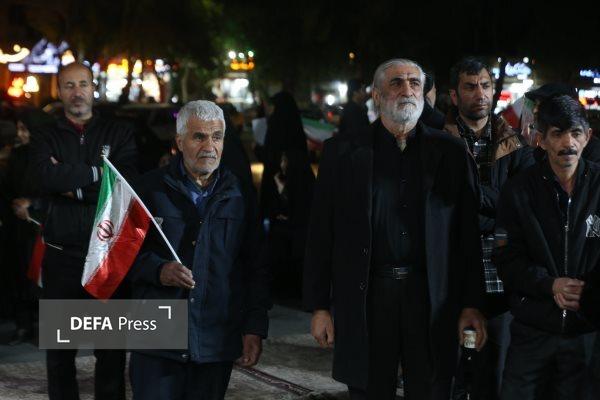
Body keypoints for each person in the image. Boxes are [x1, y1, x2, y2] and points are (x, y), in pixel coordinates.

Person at [303, 58, 487, 400]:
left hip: (430, 299)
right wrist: (319, 307)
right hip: (367, 299)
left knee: (432, 389)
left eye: (414, 83)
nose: (407, 90)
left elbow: (466, 238)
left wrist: (471, 304)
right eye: (397, 83)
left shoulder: (450, 153)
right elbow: (320, 234)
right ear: (376, 95)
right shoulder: (342, 153)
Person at [127, 100, 269, 400]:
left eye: (216, 137)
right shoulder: (147, 189)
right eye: (199, 137)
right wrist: (157, 270)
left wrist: (254, 327)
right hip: (157, 340)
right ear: (179, 142)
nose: (209, 146)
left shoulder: (240, 194)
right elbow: (119, 255)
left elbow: (256, 265)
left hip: (216, 340)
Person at [28, 62, 137, 400]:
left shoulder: (119, 133)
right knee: (60, 355)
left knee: (111, 351)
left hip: (107, 257)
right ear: (58, 91)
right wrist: (97, 173)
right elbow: (44, 178)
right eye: (69, 85)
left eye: (83, 84)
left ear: (94, 88)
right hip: (61, 258)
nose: (77, 92)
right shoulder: (44, 134)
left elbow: (123, 184)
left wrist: (69, 183)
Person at [493, 95, 599, 400]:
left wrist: (587, 292)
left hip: (587, 333)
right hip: (532, 331)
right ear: (541, 140)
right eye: (558, 133)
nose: (568, 143)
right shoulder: (518, 190)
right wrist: (549, 284)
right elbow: (507, 258)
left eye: (576, 133)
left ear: (587, 136)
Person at [445, 57, 534, 399]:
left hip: (501, 282)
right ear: (455, 95)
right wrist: (495, 207)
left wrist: (472, 202)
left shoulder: (515, 144)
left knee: (494, 378)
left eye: (484, 86)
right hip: (451, 278)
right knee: (450, 378)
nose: (479, 94)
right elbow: (438, 207)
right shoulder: (439, 143)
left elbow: (521, 206)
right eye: (470, 87)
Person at [525, 83, 600, 163]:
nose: (535, 110)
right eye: (535, 104)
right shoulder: (539, 149)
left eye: (542, 105)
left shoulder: (594, 152)